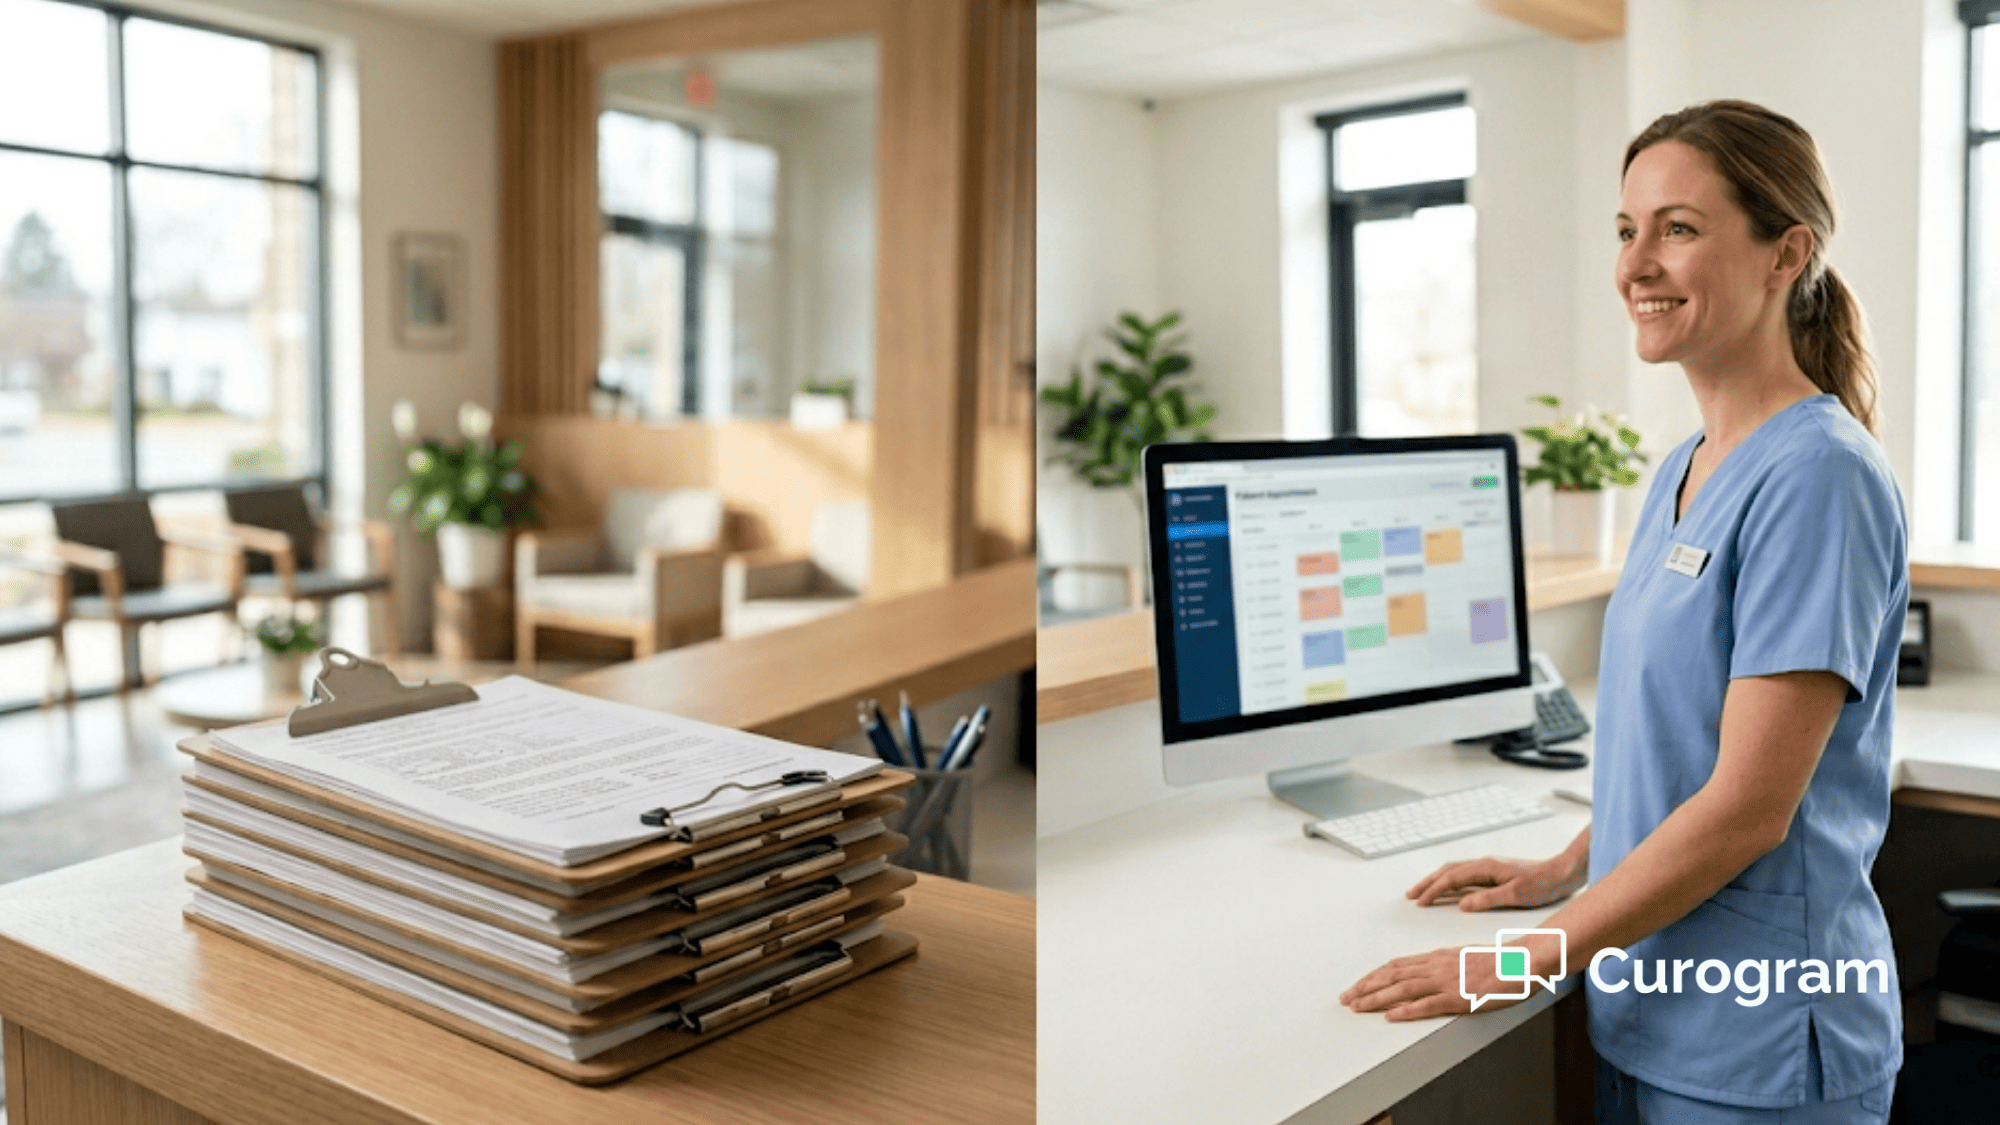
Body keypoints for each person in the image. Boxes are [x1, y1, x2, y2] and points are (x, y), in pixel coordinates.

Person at [1338, 99, 1905, 1124]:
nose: (1634, 263)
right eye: (1624, 229)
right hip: (1648, 999)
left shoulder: (1819, 475)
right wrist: (1564, 866)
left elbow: (1746, 805)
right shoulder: (1680, 470)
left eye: (1676, 229)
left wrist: (1519, 961)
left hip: (1760, 1038)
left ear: (1786, 254)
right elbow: (1675, 742)